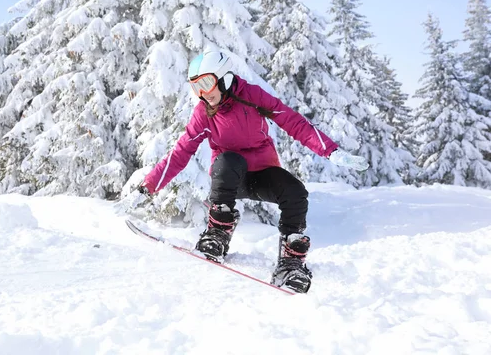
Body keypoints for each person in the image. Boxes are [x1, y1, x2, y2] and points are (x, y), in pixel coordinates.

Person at [138, 50, 368, 293]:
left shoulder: (252, 96)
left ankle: (290, 262)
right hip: (231, 179)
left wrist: (330, 151)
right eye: (196, 88)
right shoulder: (204, 113)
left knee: (296, 193)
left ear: (223, 78)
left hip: (263, 175)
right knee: (228, 161)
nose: (203, 94)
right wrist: (147, 186)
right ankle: (217, 235)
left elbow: (292, 121)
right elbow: (181, 151)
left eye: (206, 83)